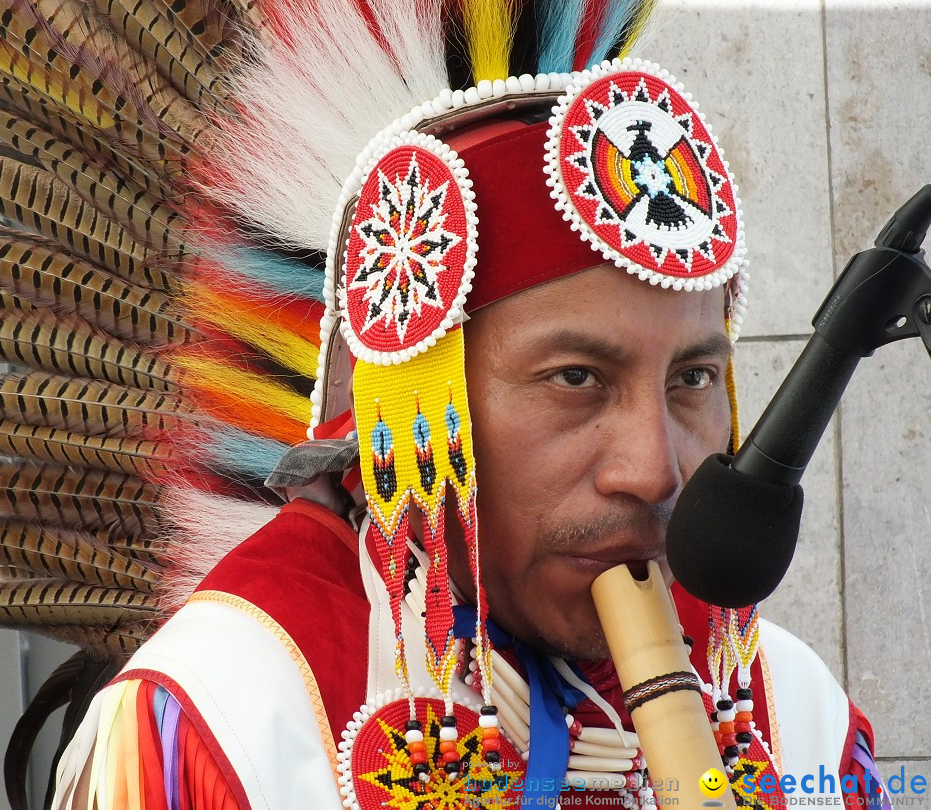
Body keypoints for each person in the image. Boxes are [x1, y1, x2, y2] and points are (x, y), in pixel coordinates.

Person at [50, 53, 886, 810]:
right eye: (576, 380)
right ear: (421, 410)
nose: (653, 470)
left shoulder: (791, 707)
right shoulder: (232, 717)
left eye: (692, 379)